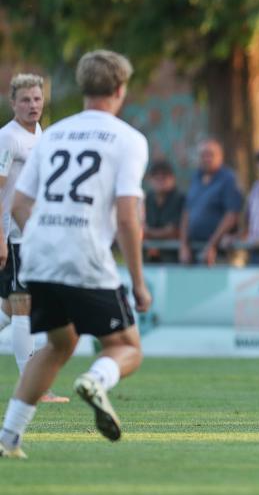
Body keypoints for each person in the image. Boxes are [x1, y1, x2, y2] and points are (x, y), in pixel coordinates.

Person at [0, 49, 151, 459]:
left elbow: (18, 204)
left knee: (57, 344)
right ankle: (97, 381)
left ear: (83, 87)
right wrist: (138, 282)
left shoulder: (54, 135)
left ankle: (9, 436)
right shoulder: (128, 139)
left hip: (37, 253)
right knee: (127, 347)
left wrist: (47, 239)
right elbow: (126, 217)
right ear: (120, 89)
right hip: (83, 254)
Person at [0, 74, 68, 403]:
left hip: (34, 235)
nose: (33, 105)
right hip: (12, 236)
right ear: (13, 103)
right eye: (25, 100)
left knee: (11, 309)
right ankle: (34, 387)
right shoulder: (8, 138)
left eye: (37, 99)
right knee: (22, 305)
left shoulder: (42, 136)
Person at [179, 139, 243, 266]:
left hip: (218, 253)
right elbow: (187, 212)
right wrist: (183, 245)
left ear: (221, 157)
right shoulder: (196, 177)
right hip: (193, 250)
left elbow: (231, 216)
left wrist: (211, 245)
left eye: (211, 154)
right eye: (203, 155)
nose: (207, 158)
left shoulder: (228, 179)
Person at [143, 160, 185, 263]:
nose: (160, 181)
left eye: (164, 177)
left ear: (172, 179)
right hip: (150, 256)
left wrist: (149, 233)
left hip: (174, 257)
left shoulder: (180, 199)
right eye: (156, 178)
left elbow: (174, 231)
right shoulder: (149, 198)